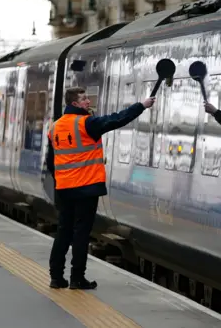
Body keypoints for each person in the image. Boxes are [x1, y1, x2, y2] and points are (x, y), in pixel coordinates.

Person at [47, 86, 155, 289]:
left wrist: (62, 179)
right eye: (84, 99)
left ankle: (56, 277)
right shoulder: (86, 123)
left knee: (63, 232)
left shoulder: (54, 127)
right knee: (81, 233)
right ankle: (77, 278)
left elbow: (50, 161)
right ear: (74, 104)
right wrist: (141, 106)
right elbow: (116, 119)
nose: (88, 102)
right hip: (86, 188)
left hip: (64, 189)